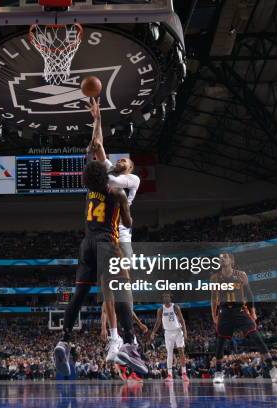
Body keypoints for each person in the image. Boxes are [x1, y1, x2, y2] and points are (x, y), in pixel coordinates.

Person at [53, 160, 148, 378]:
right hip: (107, 243)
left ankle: (64, 340)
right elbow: (128, 222)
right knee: (123, 288)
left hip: (86, 245)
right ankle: (129, 344)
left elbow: (94, 150)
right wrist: (125, 207)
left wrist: (96, 127)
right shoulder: (117, 193)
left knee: (78, 295)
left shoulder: (89, 193)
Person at [86, 96, 140, 362]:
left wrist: (103, 165)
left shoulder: (132, 180)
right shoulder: (109, 173)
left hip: (123, 236)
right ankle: (117, 337)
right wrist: (98, 118)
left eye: (126, 162)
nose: (122, 162)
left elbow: (104, 163)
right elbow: (98, 146)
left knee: (122, 283)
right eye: (120, 160)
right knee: (108, 286)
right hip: (106, 236)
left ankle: (130, 338)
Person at [211, 253, 277, 383]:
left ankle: (273, 370)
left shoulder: (242, 275)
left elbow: (249, 294)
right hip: (224, 312)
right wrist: (214, 315)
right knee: (220, 343)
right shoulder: (215, 277)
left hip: (240, 310)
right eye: (220, 258)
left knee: (256, 337)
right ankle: (218, 372)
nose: (221, 259)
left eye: (225, 257)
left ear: (231, 260)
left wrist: (253, 312)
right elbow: (213, 298)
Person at [148, 293, 189, 382]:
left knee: (181, 351)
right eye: (164, 296)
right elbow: (158, 322)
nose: (166, 298)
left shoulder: (175, 307)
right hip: (168, 332)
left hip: (178, 331)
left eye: (167, 296)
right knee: (169, 353)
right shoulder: (160, 309)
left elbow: (182, 320)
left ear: (171, 297)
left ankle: (184, 373)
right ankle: (169, 375)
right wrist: (153, 332)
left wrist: (185, 332)